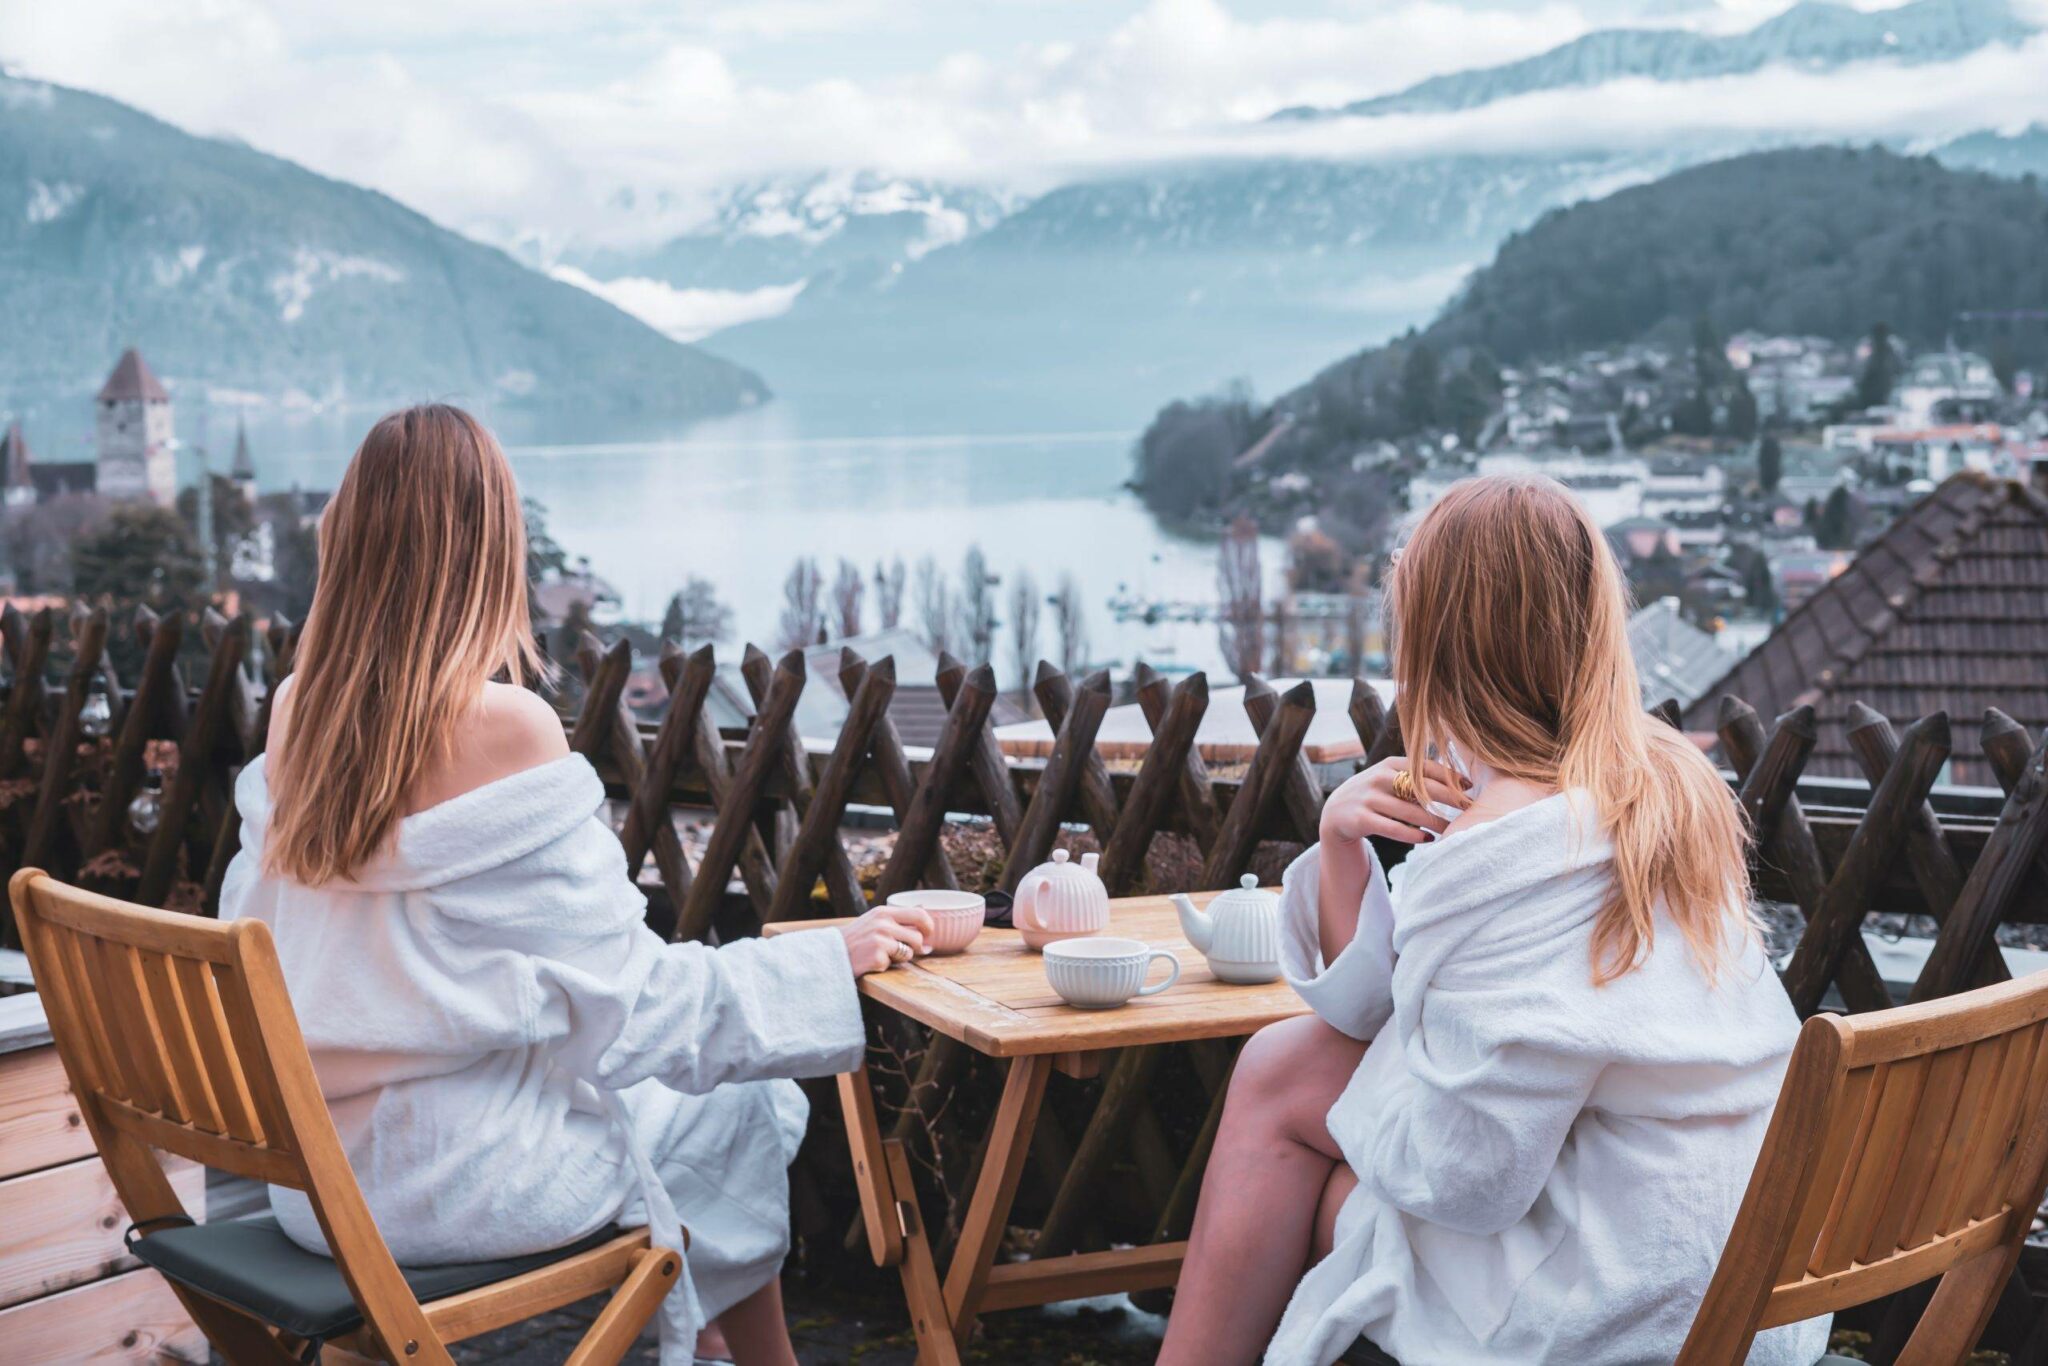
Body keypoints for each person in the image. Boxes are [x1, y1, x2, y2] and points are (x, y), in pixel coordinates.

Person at [220, 404, 932, 1366]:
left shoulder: (301, 707)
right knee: (738, 1103)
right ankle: (739, 1351)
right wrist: (822, 957)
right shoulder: (505, 726)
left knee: (709, 1108)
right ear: (490, 548)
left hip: (320, 1187)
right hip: (460, 1188)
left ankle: (708, 1341)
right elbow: (636, 1009)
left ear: (346, 539)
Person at [1158, 475, 1829, 1366]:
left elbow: (1469, 1175)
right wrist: (1343, 841)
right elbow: (1381, 1017)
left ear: (1441, 637)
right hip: (1738, 1259)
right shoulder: (1664, 789)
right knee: (1289, 1071)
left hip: (1632, 1303)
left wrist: (1360, 1121)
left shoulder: (1505, 841)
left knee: (1312, 1149)